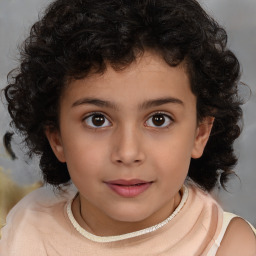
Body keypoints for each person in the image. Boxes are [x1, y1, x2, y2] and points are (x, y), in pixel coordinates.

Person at [0, 0, 255, 255]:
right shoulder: (25, 228)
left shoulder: (230, 246)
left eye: (158, 119)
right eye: (97, 120)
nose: (128, 152)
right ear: (57, 138)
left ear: (200, 133)